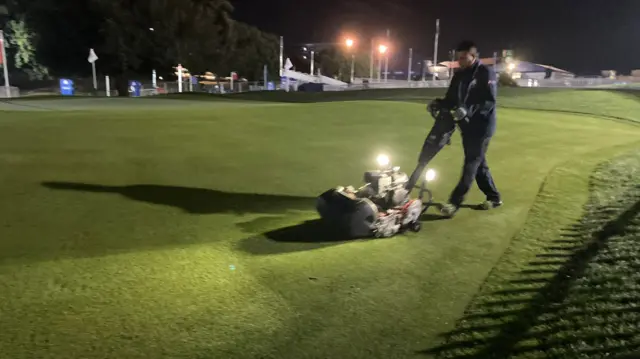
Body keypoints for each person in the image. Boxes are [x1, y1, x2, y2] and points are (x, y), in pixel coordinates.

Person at [439, 40, 502, 217]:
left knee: (472, 162)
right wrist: (438, 104)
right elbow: (451, 98)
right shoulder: (459, 75)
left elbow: (489, 101)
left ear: (473, 56)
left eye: (464, 57)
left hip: (482, 127)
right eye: (458, 57)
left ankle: (454, 202)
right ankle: (494, 197)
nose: (460, 60)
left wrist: (467, 109)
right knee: (479, 163)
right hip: (466, 126)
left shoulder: (485, 72)